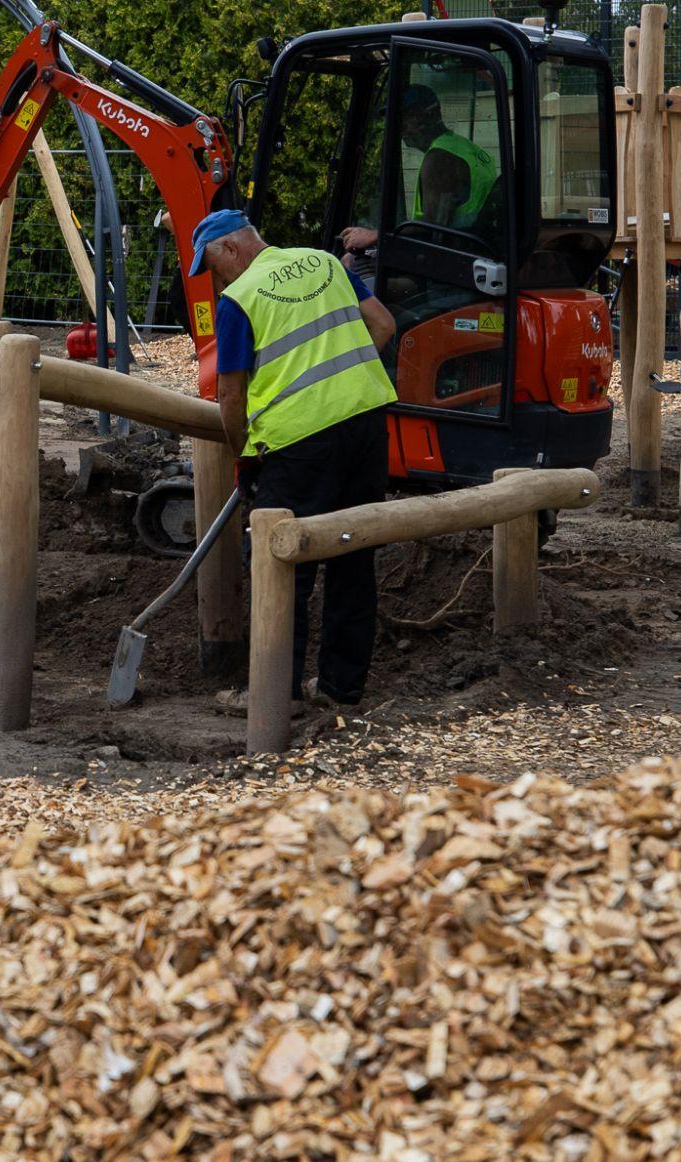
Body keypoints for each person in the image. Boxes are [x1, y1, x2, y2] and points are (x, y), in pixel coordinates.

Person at [188, 208, 398, 710]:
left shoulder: (240, 298)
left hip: (298, 443)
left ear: (233, 250)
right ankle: (339, 689)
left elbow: (231, 396)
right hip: (366, 425)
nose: (217, 280)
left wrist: (244, 454)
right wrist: (337, 381)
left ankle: (273, 695)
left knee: (281, 565)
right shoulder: (327, 263)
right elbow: (384, 325)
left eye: (214, 267)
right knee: (352, 556)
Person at [336, 83, 500, 259]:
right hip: (471, 252)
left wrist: (374, 235)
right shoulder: (467, 148)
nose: (401, 129)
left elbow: (432, 229)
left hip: (451, 263)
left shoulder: (439, 159)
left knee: (350, 261)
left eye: (407, 118)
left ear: (431, 115)